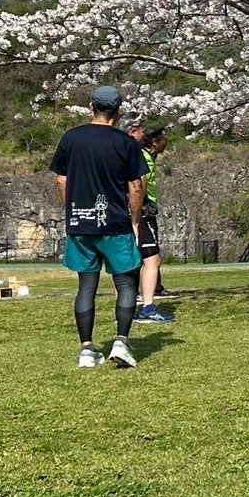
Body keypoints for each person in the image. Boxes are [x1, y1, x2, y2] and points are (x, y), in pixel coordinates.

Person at [50, 86, 149, 369]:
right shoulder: (125, 143)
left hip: (80, 224)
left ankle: (87, 349)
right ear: (119, 112)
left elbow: (61, 180)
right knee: (126, 283)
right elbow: (136, 186)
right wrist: (134, 220)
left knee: (86, 286)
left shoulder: (71, 138)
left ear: (90, 107)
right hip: (115, 224)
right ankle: (121, 341)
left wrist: (73, 212)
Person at [129, 126, 176, 325]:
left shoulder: (144, 156)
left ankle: (130, 305)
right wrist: (142, 206)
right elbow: (140, 183)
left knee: (136, 257)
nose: (167, 144)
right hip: (141, 210)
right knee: (151, 258)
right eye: (164, 140)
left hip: (140, 208)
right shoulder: (140, 156)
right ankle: (146, 306)